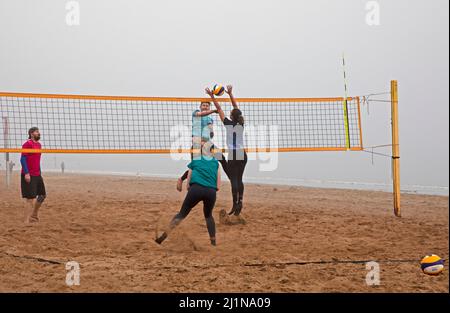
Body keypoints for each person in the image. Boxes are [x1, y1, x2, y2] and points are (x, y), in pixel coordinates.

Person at [156, 138, 221, 246]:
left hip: (196, 189)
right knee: (208, 216)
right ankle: (213, 243)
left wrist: (186, 185)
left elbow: (189, 179)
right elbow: (218, 186)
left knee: (182, 214)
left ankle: (162, 238)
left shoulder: (195, 160)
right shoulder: (216, 163)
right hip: (211, 191)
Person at [206, 85, 247, 216]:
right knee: (239, 179)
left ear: (231, 116)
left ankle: (235, 204)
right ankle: (240, 201)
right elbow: (236, 108)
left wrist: (212, 96)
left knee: (233, 180)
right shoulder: (241, 123)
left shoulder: (228, 124)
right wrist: (230, 94)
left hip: (234, 154)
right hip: (242, 153)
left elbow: (218, 109)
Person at [177, 100, 228, 191]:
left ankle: (231, 177)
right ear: (200, 107)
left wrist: (211, 131)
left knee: (221, 158)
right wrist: (213, 111)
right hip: (197, 143)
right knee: (196, 166)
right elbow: (202, 114)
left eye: (207, 106)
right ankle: (182, 180)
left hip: (207, 144)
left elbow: (210, 129)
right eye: (203, 105)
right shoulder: (196, 113)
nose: (205, 107)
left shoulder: (210, 119)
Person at [20, 127, 46, 224]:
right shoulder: (27, 144)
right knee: (30, 199)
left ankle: (34, 215)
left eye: (39, 131)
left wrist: (39, 172)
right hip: (28, 174)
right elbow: (23, 159)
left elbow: (37, 160)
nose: (39, 133)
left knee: (42, 195)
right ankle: (26, 221)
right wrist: (26, 173)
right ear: (31, 133)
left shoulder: (39, 145)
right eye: (37, 132)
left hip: (37, 174)